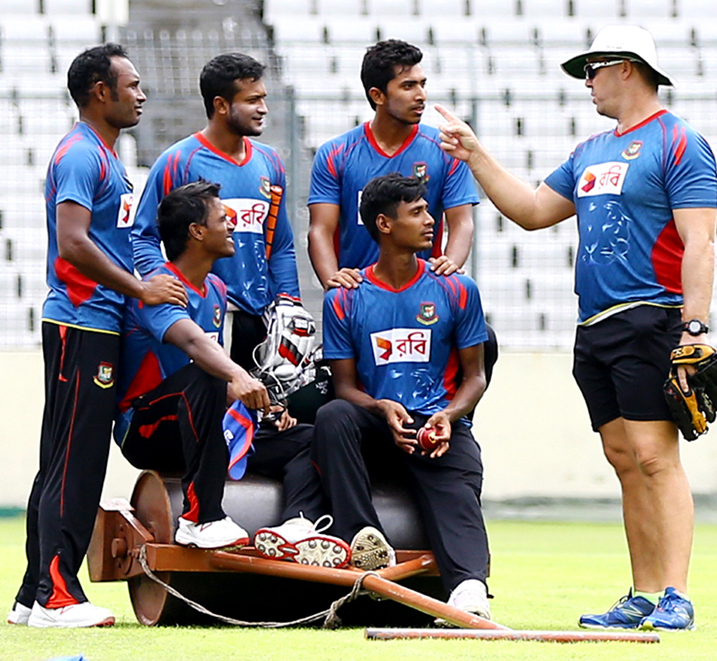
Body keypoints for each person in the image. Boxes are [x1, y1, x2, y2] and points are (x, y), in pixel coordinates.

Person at [436, 25, 716, 631]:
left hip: (653, 317)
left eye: (594, 67)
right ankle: (643, 595)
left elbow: (701, 240)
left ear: (629, 68)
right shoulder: (590, 150)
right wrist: (475, 155)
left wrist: (694, 328)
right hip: (594, 326)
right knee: (623, 457)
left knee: (654, 456)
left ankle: (677, 595)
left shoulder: (678, 142)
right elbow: (535, 212)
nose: (586, 79)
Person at [8, 44, 188, 629]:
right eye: (131, 84)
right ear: (100, 91)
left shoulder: (107, 155)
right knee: (77, 460)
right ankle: (57, 597)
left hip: (91, 323)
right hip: (82, 322)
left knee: (62, 458)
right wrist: (140, 290)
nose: (142, 94)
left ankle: (34, 594)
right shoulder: (81, 154)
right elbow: (75, 241)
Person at [116, 181, 350, 567]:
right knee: (210, 375)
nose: (235, 225)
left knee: (308, 436)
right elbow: (194, 347)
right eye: (225, 219)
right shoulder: (159, 287)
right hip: (144, 428)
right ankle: (199, 518)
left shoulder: (217, 289)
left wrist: (263, 407)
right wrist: (238, 379)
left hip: (200, 421)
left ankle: (295, 525)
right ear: (197, 232)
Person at [313, 173, 493, 621]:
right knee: (334, 416)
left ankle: (469, 589)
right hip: (376, 422)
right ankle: (364, 544)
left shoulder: (457, 289)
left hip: (435, 424)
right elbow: (344, 387)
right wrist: (379, 406)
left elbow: (476, 378)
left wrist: (449, 416)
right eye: (417, 213)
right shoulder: (344, 299)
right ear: (384, 224)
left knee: (460, 476)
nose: (432, 221)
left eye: (428, 210)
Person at [308, 38, 497, 385]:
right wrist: (333, 281)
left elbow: (462, 222)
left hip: (422, 295)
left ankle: (452, 426)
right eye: (408, 86)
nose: (421, 95)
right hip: (361, 299)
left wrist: (451, 264)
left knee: (486, 341)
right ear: (378, 95)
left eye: (422, 84)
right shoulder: (337, 154)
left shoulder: (443, 149)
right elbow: (320, 229)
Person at [132, 52, 303, 372]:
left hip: (261, 316)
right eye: (252, 100)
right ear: (221, 105)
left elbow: (280, 244)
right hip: (205, 317)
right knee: (213, 412)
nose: (263, 108)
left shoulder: (270, 162)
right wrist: (165, 283)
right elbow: (143, 236)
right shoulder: (177, 162)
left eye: (263, 98)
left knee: (260, 414)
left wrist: (289, 303)